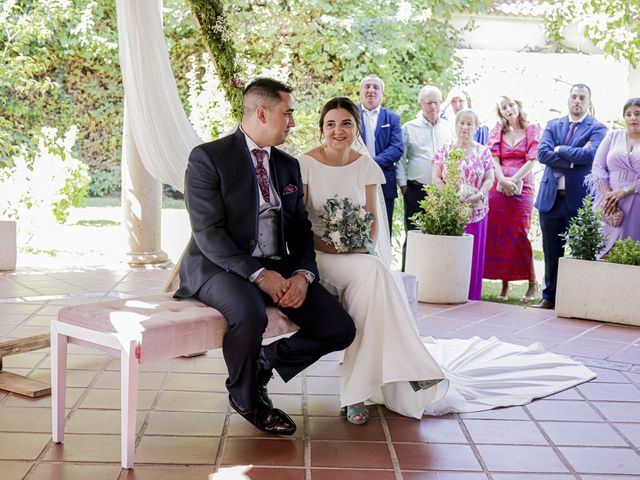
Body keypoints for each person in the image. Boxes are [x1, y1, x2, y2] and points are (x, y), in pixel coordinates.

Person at [299, 96, 595, 424]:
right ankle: (410, 369)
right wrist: (331, 245)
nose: (338, 130)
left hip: (356, 255)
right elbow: (299, 222)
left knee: (376, 277)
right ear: (321, 128)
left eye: (346, 123)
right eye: (331, 124)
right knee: (378, 279)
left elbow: (372, 221)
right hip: (320, 256)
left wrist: (357, 244)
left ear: (356, 128)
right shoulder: (306, 164)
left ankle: (358, 391)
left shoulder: (366, 165)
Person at [174, 78, 356, 436]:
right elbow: (208, 233)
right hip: (219, 267)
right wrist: (259, 275)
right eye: (287, 113)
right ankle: (247, 398)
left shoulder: (288, 165)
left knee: (340, 327)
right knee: (248, 313)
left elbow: (301, 227)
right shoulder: (209, 158)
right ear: (261, 112)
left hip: (280, 264)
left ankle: (264, 362)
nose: (292, 121)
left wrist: (303, 274)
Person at [534, 84, 607, 309]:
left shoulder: (597, 128)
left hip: (579, 199)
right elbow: (542, 153)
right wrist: (573, 158)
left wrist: (559, 150)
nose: (577, 101)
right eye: (574, 97)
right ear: (568, 100)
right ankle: (549, 297)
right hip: (551, 198)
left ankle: (574, 298)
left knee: (580, 251)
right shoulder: (553, 124)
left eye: (582, 98)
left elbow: (592, 155)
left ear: (588, 102)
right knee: (551, 250)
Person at [432, 109, 495, 301]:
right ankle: (448, 291)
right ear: (456, 124)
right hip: (450, 209)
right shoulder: (445, 149)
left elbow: (489, 178)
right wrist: (451, 197)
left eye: (470, 124)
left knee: (473, 254)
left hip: (476, 210)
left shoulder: (483, 151)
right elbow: (435, 177)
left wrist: (479, 195)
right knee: (451, 253)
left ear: (476, 127)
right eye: (462, 123)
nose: (465, 127)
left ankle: (471, 295)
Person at [484, 95, 541, 302]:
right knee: (498, 233)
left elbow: (532, 159)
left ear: (517, 105)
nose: (509, 109)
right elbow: (494, 159)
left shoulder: (532, 129)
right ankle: (504, 285)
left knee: (519, 234)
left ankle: (532, 282)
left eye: (511, 105)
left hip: (522, 189)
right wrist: (502, 179)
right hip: (498, 189)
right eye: (504, 107)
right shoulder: (497, 131)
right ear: (501, 112)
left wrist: (513, 180)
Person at [397, 85, 454, 269]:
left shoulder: (448, 127)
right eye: (428, 102)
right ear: (420, 104)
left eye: (437, 102)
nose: (433, 106)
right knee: (414, 235)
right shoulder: (409, 128)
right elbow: (400, 159)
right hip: (415, 189)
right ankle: (408, 276)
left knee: (440, 236)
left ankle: (434, 276)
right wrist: (403, 185)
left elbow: (454, 155)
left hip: (442, 191)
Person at [588, 97, 640, 255]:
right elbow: (597, 167)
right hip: (608, 202)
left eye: (637, 113)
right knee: (599, 249)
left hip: (636, 199)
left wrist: (626, 191)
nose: (633, 118)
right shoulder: (613, 136)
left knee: (628, 253)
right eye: (629, 114)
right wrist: (608, 195)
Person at [358, 74, 404, 234]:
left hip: (384, 181)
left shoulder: (392, 118)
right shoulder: (350, 116)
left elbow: (397, 148)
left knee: (384, 228)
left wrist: (371, 162)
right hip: (356, 179)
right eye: (367, 86)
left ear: (382, 94)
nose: (371, 90)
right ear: (360, 92)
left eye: (376, 87)